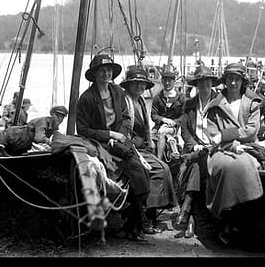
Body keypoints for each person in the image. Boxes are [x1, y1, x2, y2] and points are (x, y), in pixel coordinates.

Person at [75, 53, 151, 242]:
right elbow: (83, 129)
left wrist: (119, 135)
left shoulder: (117, 92)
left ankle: (136, 223)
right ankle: (137, 224)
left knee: (139, 170)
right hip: (99, 143)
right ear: (94, 74)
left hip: (119, 140)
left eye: (109, 70)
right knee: (132, 171)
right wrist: (108, 135)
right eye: (102, 70)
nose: (106, 73)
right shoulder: (86, 99)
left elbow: (126, 117)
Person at [203, 62, 264, 245]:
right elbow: (213, 135)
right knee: (228, 167)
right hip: (221, 150)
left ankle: (239, 220)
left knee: (245, 165)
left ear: (242, 81)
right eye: (230, 79)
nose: (233, 83)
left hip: (248, 147)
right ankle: (226, 219)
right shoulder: (216, 106)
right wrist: (229, 144)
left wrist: (225, 135)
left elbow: (252, 131)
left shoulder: (252, 103)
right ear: (225, 80)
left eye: (237, 79)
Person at [120, 65, 178, 234]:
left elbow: (146, 127)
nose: (140, 87)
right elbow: (122, 129)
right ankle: (144, 218)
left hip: (143, 147)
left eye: (142, 84)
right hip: (130, 147)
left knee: (164, 168)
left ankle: (151, 214)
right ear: (128, 85)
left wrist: (149, 143)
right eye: (136, 83)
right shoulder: (125, 102)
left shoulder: (139, 101)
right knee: (158, 170)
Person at [178, 65, 219, 238]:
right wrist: (193, 144)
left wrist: (213, 144)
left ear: (212, 83)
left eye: (207, 81)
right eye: (200, 82)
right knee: (196, 164)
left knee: (196, 163)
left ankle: (187, 210)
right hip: (195, 148)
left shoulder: (219, 103)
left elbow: (226, 127)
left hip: (214, 147)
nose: (204, 85)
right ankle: (192, 221)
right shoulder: (189, 104)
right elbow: (185, 129)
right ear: (196, 85)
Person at [0, 105, 69, 154]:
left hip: (19, 142)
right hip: (12, 136)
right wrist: (50, 142)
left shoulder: (54, 126)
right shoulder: (43, 121)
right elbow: (38, 138)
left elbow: (55, 135)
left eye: (62, 117)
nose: (60, 118)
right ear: (52, 114)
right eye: (58, 115)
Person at [151, 64, 186, 163]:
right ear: (162, 81)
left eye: (169, 81)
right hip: (159, 125)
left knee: (162, 132)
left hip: (175, 127)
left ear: (174, 82)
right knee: (149, 138)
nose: (167, 83)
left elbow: (184, 116)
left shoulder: (181, 98)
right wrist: (164, 119)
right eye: (165, 81)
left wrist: (174, 122)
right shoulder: (158, 97)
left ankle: (159, 160)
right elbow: (153, 115)